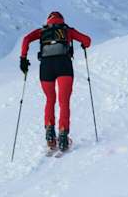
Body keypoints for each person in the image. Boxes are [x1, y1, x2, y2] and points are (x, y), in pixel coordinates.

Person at [18, 12, 92, 153]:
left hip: (46, 67)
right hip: (64, 65)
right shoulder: (67, 30)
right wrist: (82, 44)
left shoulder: (42, 31)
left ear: (48, 21)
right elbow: (87, 41)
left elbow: (26, 39)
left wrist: (23, 58)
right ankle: (63, 135)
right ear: (61, 21)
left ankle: (50, 133)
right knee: (64, 101)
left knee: (50, 99)